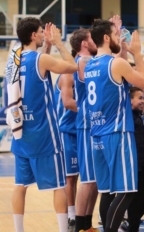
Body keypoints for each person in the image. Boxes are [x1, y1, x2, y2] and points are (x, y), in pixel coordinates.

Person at [8, 18, 78, 232]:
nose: (42, 34)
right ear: (32, 35)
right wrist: (58, 43)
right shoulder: (41, 60)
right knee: (58, 186)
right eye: (40, 32)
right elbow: (73, 66)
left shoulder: (14, 60)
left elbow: (38, 69)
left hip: (21, 133)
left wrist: (46, 45)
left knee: (20, 186)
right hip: (44, 134)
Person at [84, 18, 144, 232]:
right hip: (117, 134)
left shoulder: (90, 65)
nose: (118, 39)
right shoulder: (117, 64)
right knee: (128, 191)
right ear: (105, 37)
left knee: (108, 191)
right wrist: (137, 53)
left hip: (97, 136)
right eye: (115, 35)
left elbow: (116, 75)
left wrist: (121, 45)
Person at [69, 28, 99, 232]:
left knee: (95, 181)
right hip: (87, 125)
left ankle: (87, 224)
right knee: (87, 180)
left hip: (97, 124)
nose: (96, 40)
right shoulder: (81, 61)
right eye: (92, 38)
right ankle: (79, 225)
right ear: (84, 44)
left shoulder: (93, 61)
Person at [119, 87, 144, 232]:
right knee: (139, 197)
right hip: (135, 163)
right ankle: (130, 225)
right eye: (139, 98)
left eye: (143, 98)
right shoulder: (128, 116)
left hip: (142, 161)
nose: (143, 101)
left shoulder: (137, 115)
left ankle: (130, 224)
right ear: (129, 100)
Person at [54, 71, 79, 232]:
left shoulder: (85, 74)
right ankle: (70, 216)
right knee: (69, 178)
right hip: (65, 132)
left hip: (78, 131)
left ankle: (75, 213)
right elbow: (67, 103)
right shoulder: (67, 75)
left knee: (76, 178)